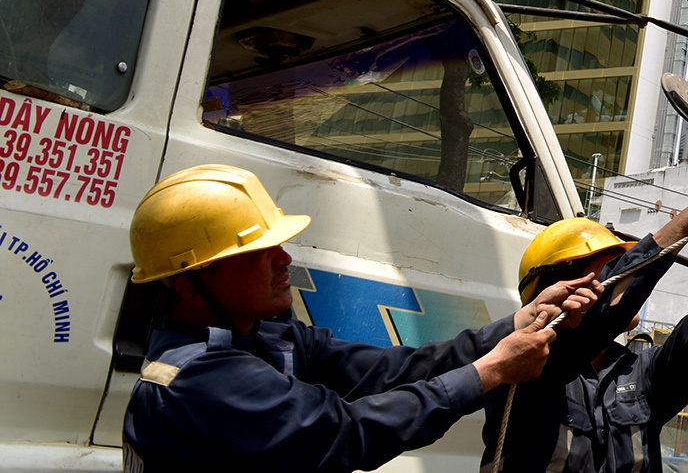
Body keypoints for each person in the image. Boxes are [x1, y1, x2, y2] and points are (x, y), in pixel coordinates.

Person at [123, 163, 601, 473]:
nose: (285, 260)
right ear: (191, 282)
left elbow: (389, 372)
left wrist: (513, 326)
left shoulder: (264, 337)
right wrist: (491, 371)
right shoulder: (199, 380)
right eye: (259, 254)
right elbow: (348, 432)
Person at [481, 143, 688, 473]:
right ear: (553, 292)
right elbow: (604, 313)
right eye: (610, 271)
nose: (626, 284)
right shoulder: (521, 364)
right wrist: (680, 227)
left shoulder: (639, 376)